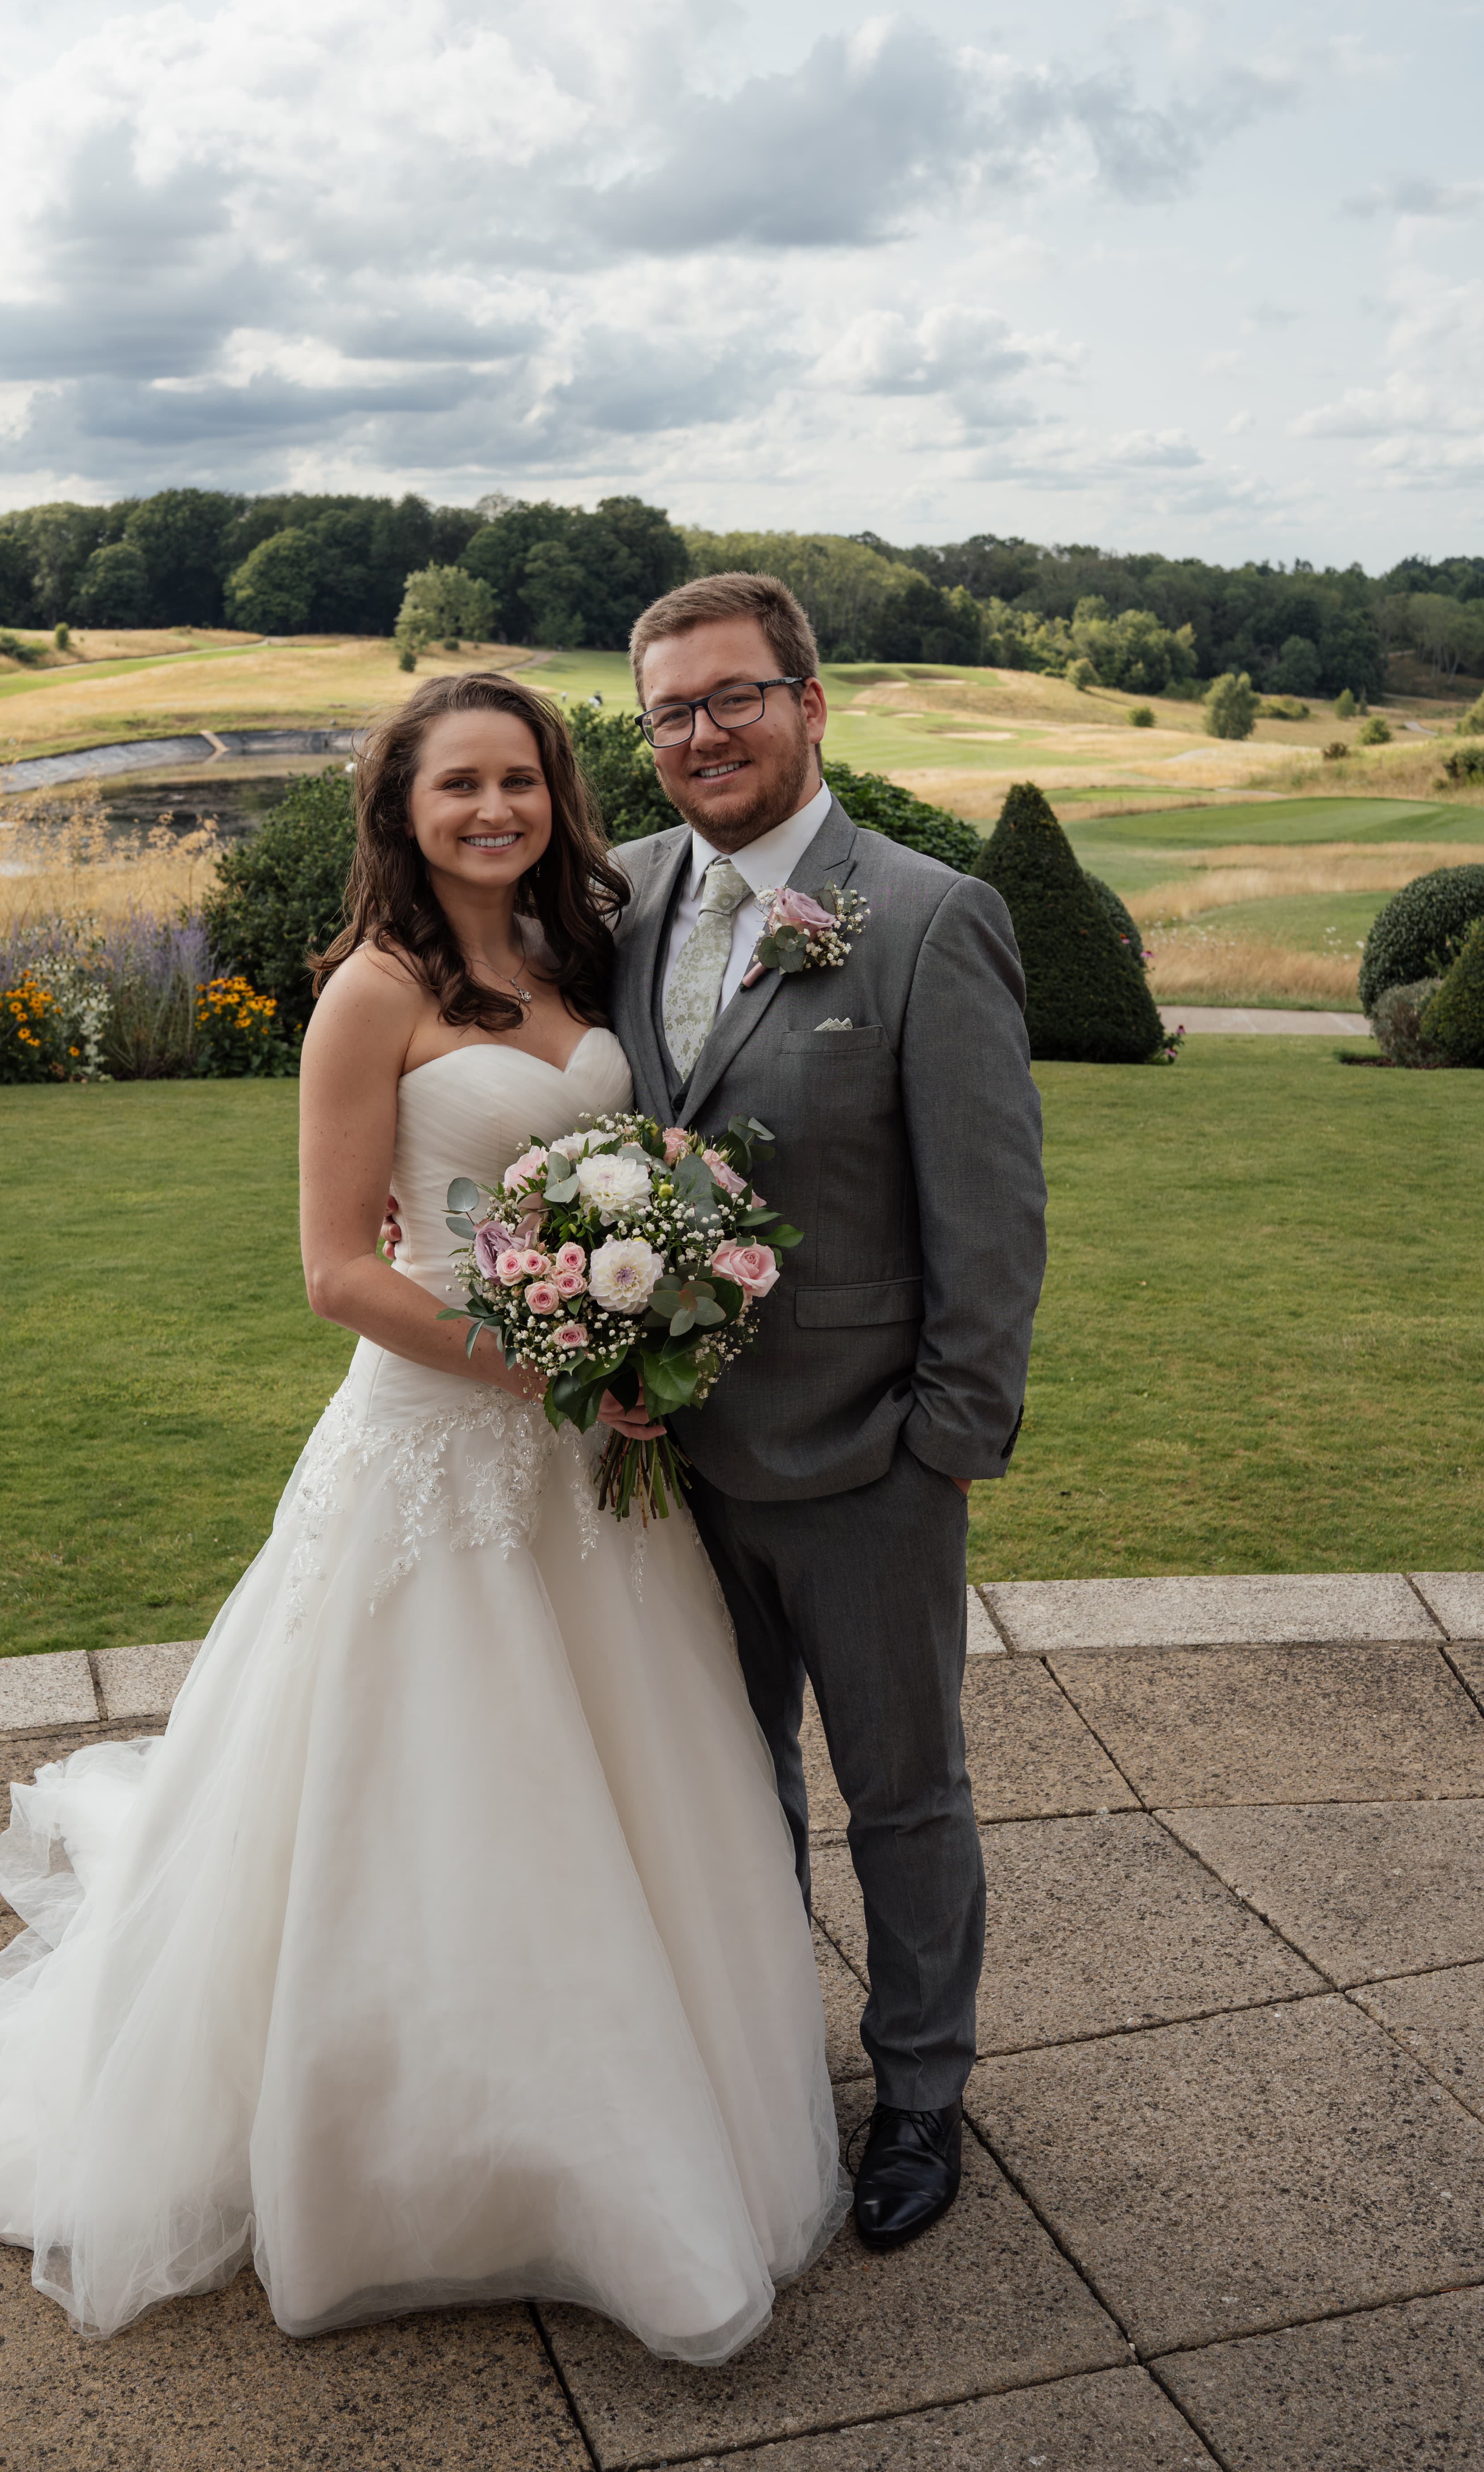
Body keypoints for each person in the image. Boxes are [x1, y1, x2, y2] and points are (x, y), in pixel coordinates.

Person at [0, 671, 846, 2362]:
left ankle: (613, 2110)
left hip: (587, 1456)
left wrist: (642, 1331)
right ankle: (402, 2166)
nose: (495, 810)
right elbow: (338, 1271)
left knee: (615, 1783)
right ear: (402, 810)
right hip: (437, 1444)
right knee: (426, 1793)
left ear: (559, 795)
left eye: (523, 780)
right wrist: (548, 1366)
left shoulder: (574, 958)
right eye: (459, 785)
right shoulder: (369, 994)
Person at [605, 573, 1046, 2252]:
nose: (704, 734)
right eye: (671, 713)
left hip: (868, 1463)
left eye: (734, 698)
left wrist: (942, 1441)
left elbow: (990, 1223)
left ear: (809, 700)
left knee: (903, 1794)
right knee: (730, 1796)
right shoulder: (620, 895)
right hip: (658, 1473)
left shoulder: (932, 918)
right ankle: (765, 2076)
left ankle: (922, 2096)